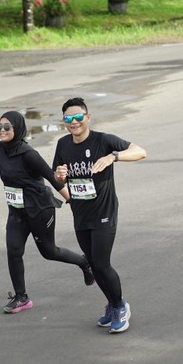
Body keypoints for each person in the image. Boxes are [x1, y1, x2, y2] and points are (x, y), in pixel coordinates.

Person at [0, 110, 95, 314]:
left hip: (39, 210)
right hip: (17, 211)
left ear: (17, 128)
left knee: (49, 252)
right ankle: (21, 297)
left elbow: (53, 178)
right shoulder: (0, 148)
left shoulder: (29, 154)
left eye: (7, 127)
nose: (2, 130)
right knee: (13, 252)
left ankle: (84, 262)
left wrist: (73, 202)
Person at [52, 97, 146, 333]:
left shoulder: (103, 140)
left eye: (78, 117)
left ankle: (120, 307)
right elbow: (58, 176)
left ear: (88, 117)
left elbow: (140, 152)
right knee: (93, 264)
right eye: (68, 118)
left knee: (102, 263)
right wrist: (60, 175)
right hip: (80, 213)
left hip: (104, 212)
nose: (73, 122)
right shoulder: (63, 144)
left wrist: (113, 156)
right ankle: (112, 305)